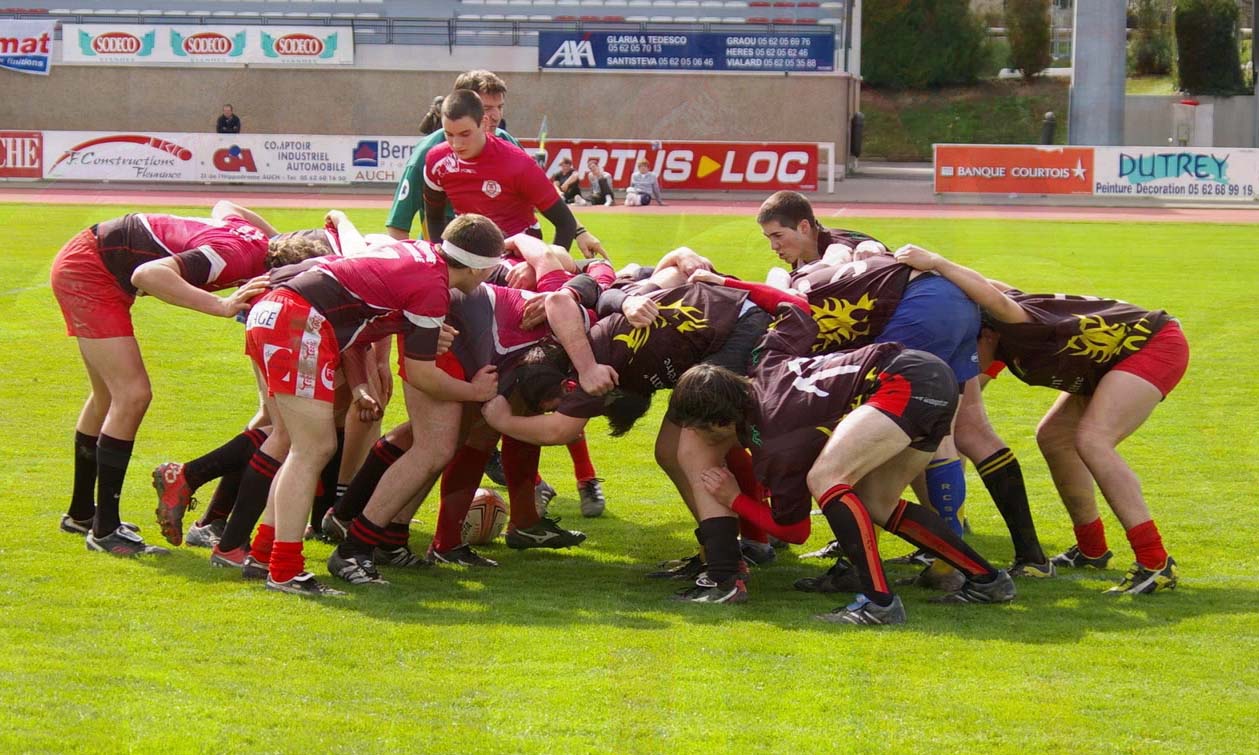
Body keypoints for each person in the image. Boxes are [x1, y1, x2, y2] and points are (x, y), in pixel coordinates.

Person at [756, 191, 1052, 590]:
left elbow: (861, 263)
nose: (774, 247)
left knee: (881, 427)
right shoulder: (824, 253)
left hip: (922, 309)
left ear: (805, 226)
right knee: (959, 429)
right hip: (949, 303)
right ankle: (1017, 553)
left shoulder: (839, 248)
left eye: (778, 236)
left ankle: (876, 557)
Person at [664, 291, 1015, 620]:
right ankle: (987, 579)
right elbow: (796, 310)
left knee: (825, 479)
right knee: (879, 503)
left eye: (699, 429)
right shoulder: (764, 363)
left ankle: (879, 603)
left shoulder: (774, 441)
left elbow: (795, 531)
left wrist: (735, 499)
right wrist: (729, 286)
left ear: (721, 422)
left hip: (902, 381)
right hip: (927, 372)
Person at [894, 244, 1188, 595]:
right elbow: (991, 291)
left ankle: (1155, 561)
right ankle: (1092, 549)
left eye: (964, 347)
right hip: (1110, 358)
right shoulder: (997, 337)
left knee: (1093, 440)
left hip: (1154, 344)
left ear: (986, 335)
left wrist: (937, 262)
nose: (963, 357)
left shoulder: (1014, 325)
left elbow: (999, 301)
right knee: (1053, 436)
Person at [247, 214, 506, 595]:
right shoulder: (433, 287)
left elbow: (360, 266)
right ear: (481, 267)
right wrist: (476, 393)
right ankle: (284, 569)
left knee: (302, 448)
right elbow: (422, 375)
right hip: (301, 321)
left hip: (280, 312)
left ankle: (262, 553)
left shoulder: (417, 252)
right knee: (312, 449)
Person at [50, 201, 311, 556]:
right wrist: (219, 306)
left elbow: (228, 205)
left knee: (107, 397)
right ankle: (105, 530)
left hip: (94, 257)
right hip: (92, 270)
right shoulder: (233, 256)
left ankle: (82, 514)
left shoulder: (259, 240)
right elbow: (147, 275)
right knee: (132, 395)